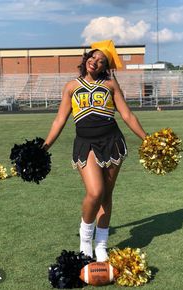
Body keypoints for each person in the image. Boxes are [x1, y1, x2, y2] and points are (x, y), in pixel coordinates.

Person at [43, 39, 147, 262]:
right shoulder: (71, 86)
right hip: (85, 144)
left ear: (105, 67)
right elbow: (59, 120)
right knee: (95, 192)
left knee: (106, 196)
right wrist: (44, 147)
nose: (95, 62)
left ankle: (101, 245)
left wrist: (147, 139)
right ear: (86, 59)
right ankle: (85, 242)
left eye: (102, 61)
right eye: (93, 57)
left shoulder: (110, 85)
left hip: (112, 142)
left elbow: (127, 115)